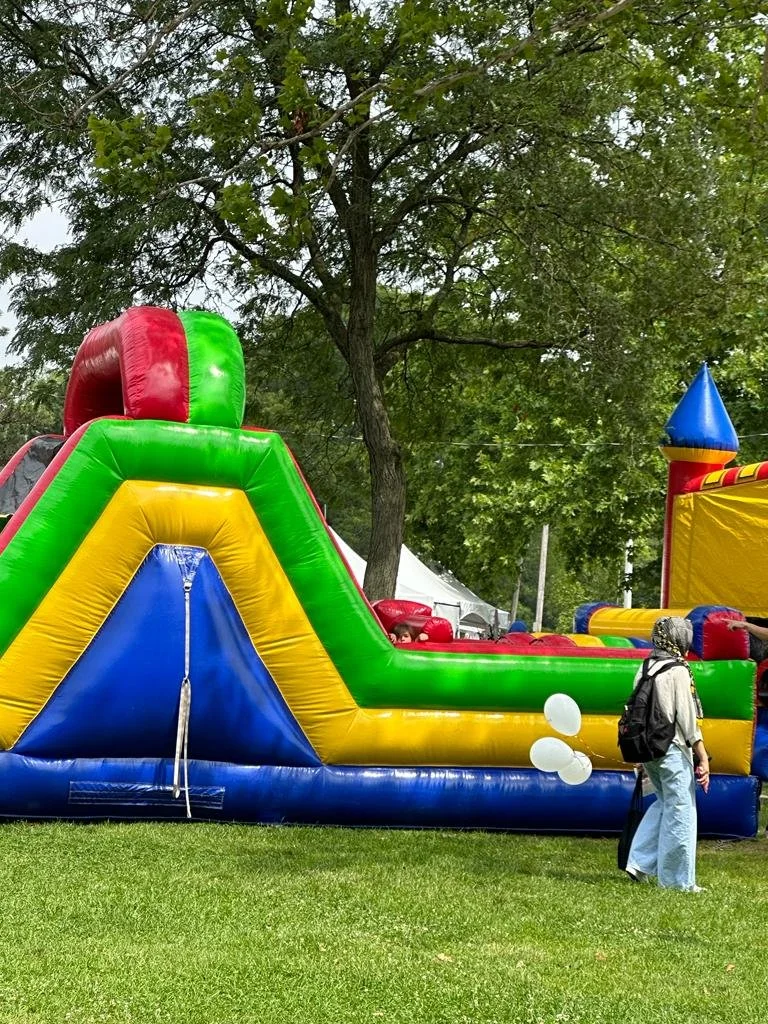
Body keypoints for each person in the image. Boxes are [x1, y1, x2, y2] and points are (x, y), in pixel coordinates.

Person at [624, 616, 710, 892]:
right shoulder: (678, 669)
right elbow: (686, 718)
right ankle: (677, 881)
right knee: (681, 809)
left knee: (664, 801)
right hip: (672, 748)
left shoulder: (647, 665)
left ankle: (638, 863)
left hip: (649, 749)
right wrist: (702, 755)